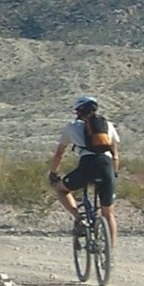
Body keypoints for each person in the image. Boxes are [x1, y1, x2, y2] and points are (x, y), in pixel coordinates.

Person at [48, 95, 120, 246]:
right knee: (108, 213)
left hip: (87, 165)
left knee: (61, 189)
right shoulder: (108, 125)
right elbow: (115, 156)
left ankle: (79, 219)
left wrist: (53, 173)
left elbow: (59, 154)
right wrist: (114, 173)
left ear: (79, 111)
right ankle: (111, 251)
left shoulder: (72, 127)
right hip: (106, 166)